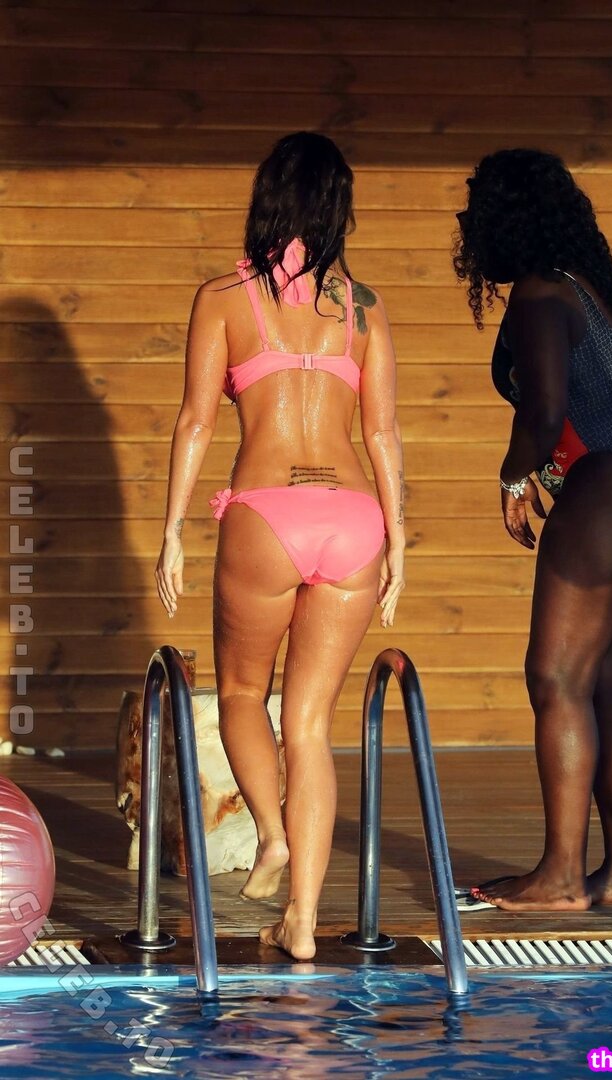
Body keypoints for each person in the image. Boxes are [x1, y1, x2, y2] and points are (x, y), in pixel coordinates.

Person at [154, 132, 405, 959]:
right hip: (354, 519)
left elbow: (196, 421)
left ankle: (271, 834)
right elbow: (383, 433)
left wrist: (173, 532)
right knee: (310, 724)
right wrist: (399, 544)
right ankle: (301, 921)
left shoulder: (224, 297)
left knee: (239, 693)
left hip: (268, 513)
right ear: (338, 209)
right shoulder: (363, 308)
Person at [453, 148, 612, 912]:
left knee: (555, 678)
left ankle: (561, 874)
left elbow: (546, 410)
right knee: (606, 683)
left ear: (507, 218)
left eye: (477, 211)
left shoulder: (539, 291)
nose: (467, 225)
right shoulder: (590, 288)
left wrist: (512, 478)